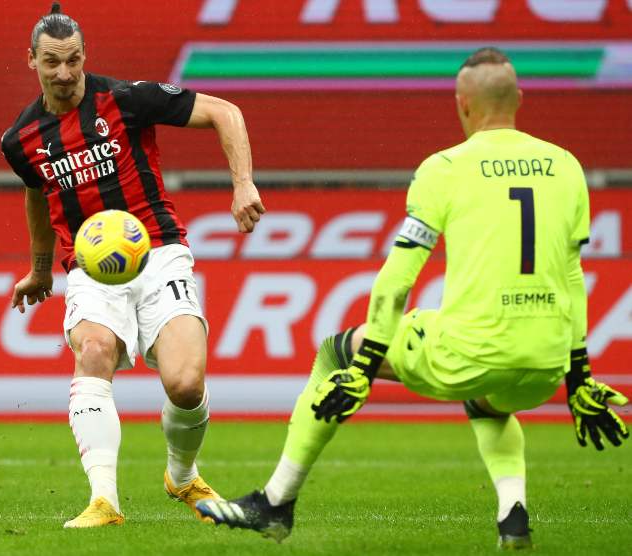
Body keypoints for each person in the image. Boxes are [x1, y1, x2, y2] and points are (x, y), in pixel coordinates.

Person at [196, 47, 628, 549]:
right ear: (519, 99)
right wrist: (581, 378)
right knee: (488, 403)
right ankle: (513, 515)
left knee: (339, 349)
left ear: (462, 104)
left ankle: (275, 502)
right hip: (548, 363)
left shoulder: (445, 167)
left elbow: (398, 276)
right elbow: (573, 276)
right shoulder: (567, 166)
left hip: (469, 355)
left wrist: (365, 366)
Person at [1, 3, 265, 528]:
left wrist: (242, 183)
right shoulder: (20, 140)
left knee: (186, 384)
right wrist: (40, 267)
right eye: (51, 62)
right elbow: (37, 194)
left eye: (73, 60)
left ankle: (182, 475)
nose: (64, 73)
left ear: (84, 55)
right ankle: (104, 501)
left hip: (160, 250)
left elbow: (224, 112)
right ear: (31, 60)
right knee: (94, 349)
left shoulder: (125, 99)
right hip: (90, 268)